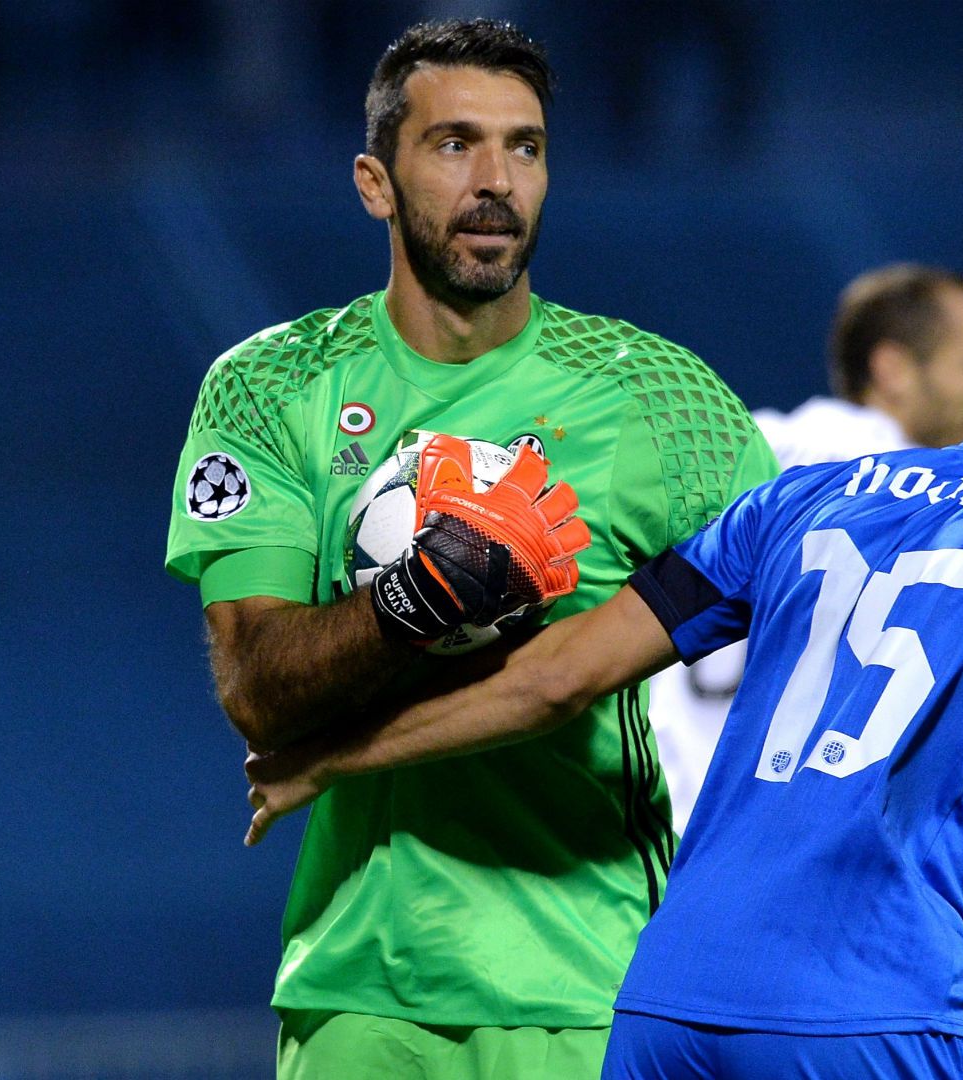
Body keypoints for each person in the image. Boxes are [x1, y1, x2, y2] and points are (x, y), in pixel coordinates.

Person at [244, 374, 963, 1080]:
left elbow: (555, 677)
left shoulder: (805, 496)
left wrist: (331, 757)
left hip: (666, 1008)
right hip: (866, 1004)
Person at [162, 19, 777, 1078]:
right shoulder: (272, 387)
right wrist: (423, 596)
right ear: (374, 182)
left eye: (524, 148)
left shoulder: (661, 397)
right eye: (454, 145)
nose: (495, 181)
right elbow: (259, 693)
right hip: (362, 990)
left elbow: (807, 619)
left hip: (596, 980)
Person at [648, 263, 963, 834]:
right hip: (762, 857)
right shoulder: (927, 497)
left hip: (648, 829)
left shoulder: (745, 446)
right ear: (893, 369)